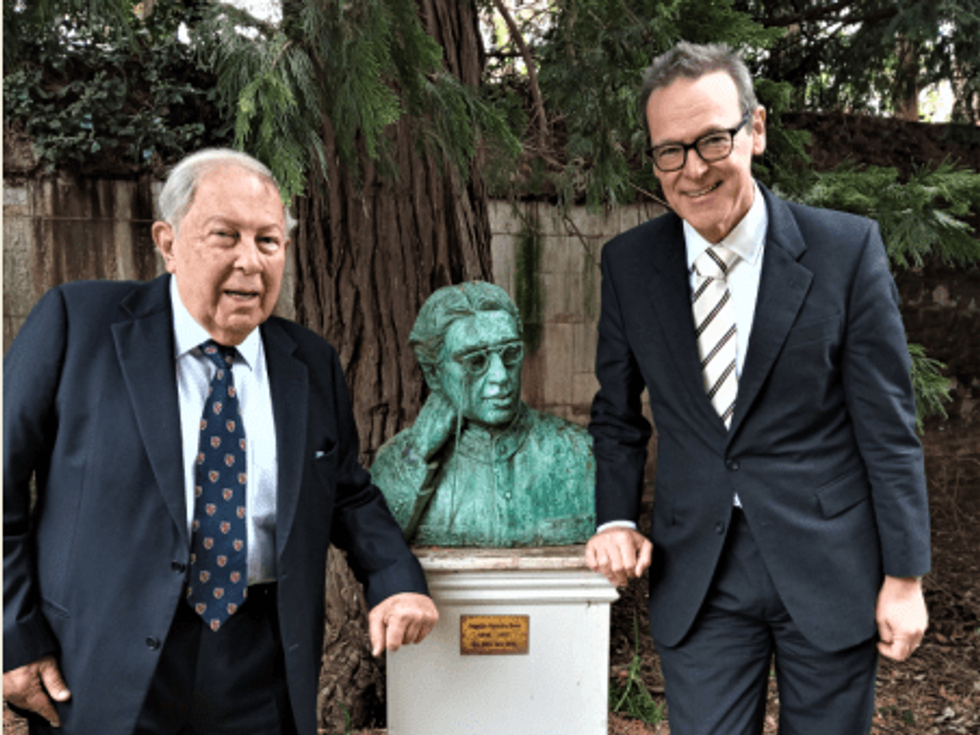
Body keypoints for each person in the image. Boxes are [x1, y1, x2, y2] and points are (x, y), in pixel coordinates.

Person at [3, 148, 438, 735]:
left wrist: (396, 581)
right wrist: (14, 637)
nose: (250, 262)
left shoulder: (307, 361)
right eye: (225, 235)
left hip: (261, 666)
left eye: (268, 240)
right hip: (101, 661)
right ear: (168, 241)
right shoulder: (78, 325)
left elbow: (346, 492)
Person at [586, 42, 930, 734]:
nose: (693, 169)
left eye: (713, 139)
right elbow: (618, 416)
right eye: (670, 151)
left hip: (830, 563)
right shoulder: (629, 265)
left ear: (756, 129)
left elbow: (888, 427)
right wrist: (616, 517)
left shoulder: (845, 250)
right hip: (698, 571)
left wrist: (906, 577)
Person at [372, 281, 595, 547]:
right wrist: (418, 453)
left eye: (510, 354)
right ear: (434, 373)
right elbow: (376, 546)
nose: (500, 377)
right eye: (475, 361)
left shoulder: (580, 452)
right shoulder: (400, 464)